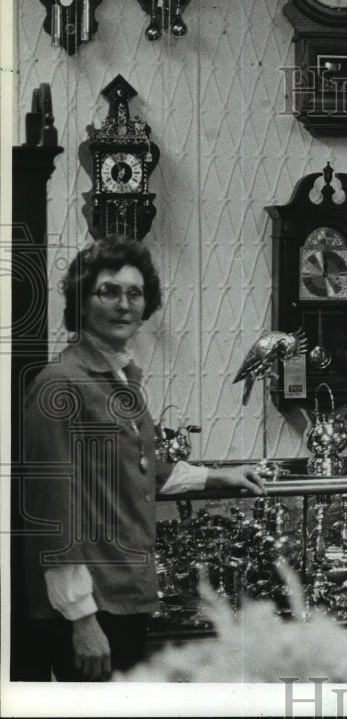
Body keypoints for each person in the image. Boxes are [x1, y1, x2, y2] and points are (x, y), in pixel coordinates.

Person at [17, 236, 264, 681]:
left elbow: (137, 467)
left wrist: (217, 478)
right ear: (81, 302)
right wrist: (82, 619)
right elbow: (50, 512)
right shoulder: (60, 384)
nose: (124, 305)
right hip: (92, 606)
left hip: (126, 595)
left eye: (135, 293)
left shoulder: (121, 377)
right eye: (108, 292)